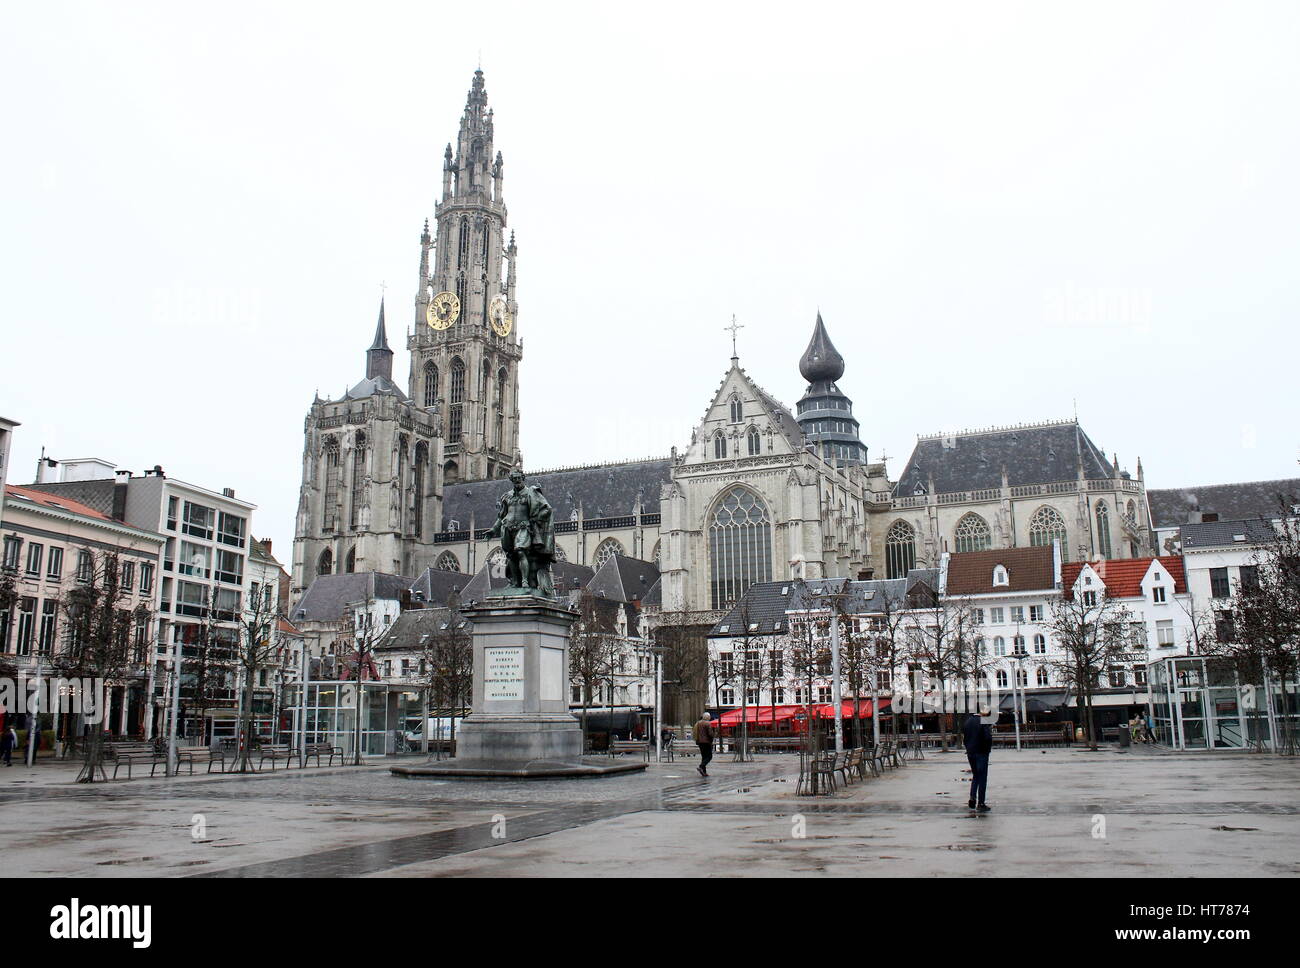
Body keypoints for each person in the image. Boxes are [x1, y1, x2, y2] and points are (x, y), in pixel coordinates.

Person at [962, 705, 993, 812]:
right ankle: (981, 803)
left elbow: (965, 738)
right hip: (982, 753)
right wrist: (987, 748)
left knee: (975, 775)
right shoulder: (983, 722)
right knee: (982, 777)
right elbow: (987, 738)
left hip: (971, 753)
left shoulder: (968, 721)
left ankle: (972, 797)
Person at [693, 712, 714, 777]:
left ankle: (704, 772)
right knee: (709, 756)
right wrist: (713, 735)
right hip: (707, 742)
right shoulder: (708, 724)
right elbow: (710, 734)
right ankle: (701, 766)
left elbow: (695, 731)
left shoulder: (698, 723)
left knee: (704, 756)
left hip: (700, 742)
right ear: (708, 717)